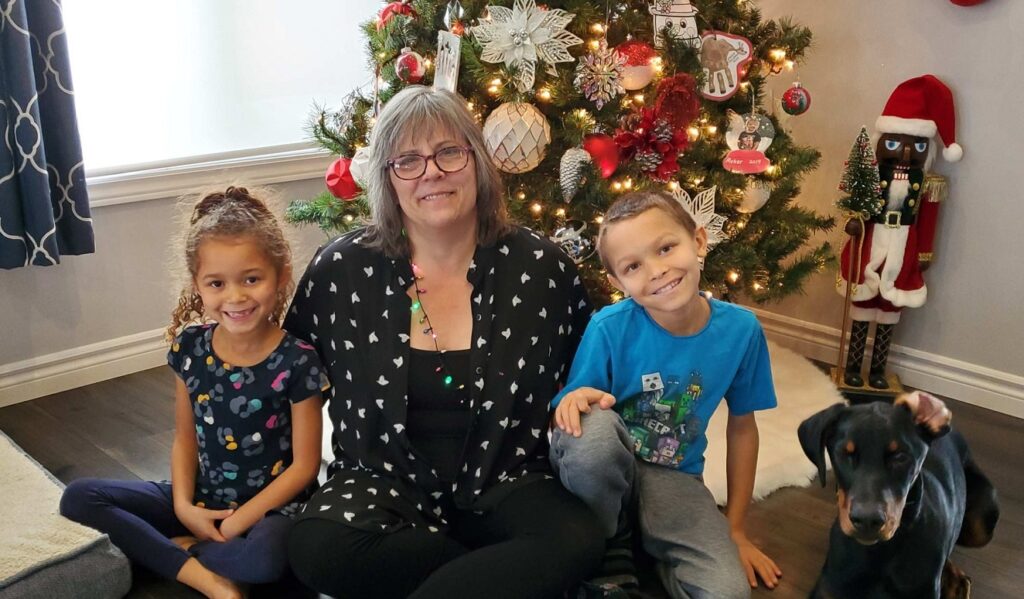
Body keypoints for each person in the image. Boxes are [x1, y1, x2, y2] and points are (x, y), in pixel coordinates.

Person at [283, 85, 604, 599]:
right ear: (387, 179)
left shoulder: (541, 267)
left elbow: (595, 362)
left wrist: (589, 391)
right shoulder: (341, 269)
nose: (431, 171)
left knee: (576, 538)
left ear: (477, 161)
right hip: (381, 478)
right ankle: (498, 577)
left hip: (508, 475)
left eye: (449, 152)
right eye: (407, 160)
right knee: (316, 545)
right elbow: (289, 381)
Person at [60, 186, 326, 599]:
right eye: (217, 283)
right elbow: (186, 438)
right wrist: (184, 507)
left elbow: (304, 468)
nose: (235, 296)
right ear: (197, 285)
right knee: (78, 498)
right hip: (202, 498)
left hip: (271, 511)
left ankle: (184, 550)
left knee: (269, 560)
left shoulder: (298, 360)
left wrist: (236, 524)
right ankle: (201, 572)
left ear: (281, 274)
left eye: (251, 279)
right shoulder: (190, 348)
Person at [550, 191, 781, 598]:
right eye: (634, 265)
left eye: (666, 247)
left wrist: (737, 530)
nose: (656, 270)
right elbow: (573, 414)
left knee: (729, 592)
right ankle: (609, 544)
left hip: (673, 476)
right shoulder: (608, 327)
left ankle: (648, 552)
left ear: (699, 241)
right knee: (596, 433)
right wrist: (571, 400)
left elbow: (744, 429)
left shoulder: (742, 332)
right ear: (616, 282)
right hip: (605, 467)